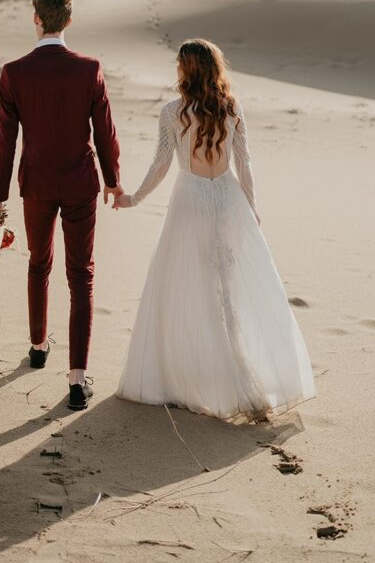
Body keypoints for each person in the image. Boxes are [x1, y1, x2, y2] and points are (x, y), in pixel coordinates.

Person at [113, 38, 315, 422]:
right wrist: (251, 208)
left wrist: (135, 198)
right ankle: (235, 364)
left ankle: (200, 373)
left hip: (188, 201)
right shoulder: (231, 107)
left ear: (184, 70)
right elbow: (244, 163)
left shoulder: (172, 111)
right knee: (230, 285)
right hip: (227, 198)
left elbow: (160, 164)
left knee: (188, 285)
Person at [0, 0, 122, 410]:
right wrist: (113, 180)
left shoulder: (15, 71)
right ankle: (77, 380)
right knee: (81, 275)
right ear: (69, 20)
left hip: (37, 185)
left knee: (38, 263)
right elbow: (105, 131)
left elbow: (5, 142)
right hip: (80, 183)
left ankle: (39, 346)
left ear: (36, 19)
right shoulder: (89, 68)